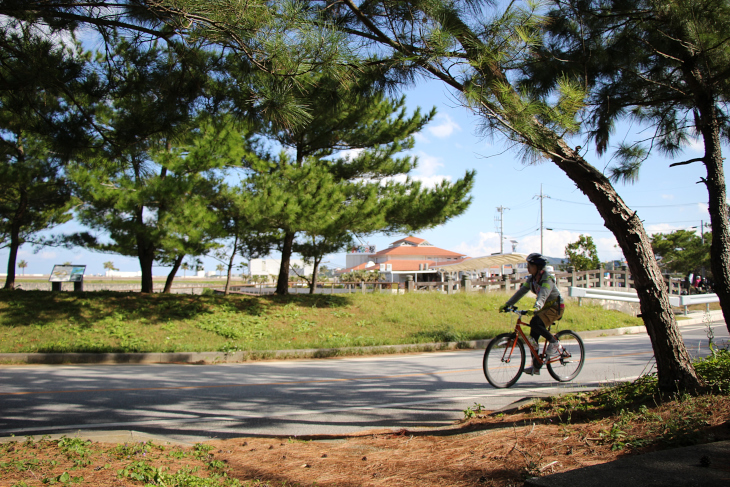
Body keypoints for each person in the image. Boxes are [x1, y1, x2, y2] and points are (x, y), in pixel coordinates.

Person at [500, 253, 565, 375]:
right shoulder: (532, 280)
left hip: (555, 307)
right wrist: (507, 304)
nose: (528, 268)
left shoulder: (547, 279)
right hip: (544, 307)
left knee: (535, 322)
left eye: (530, 265)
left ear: (538, 267)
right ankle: (536, 365)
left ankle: (555, 343)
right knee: (532, 337)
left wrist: (535, 307)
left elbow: (543, 295)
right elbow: (521, 292)